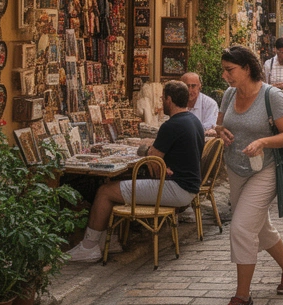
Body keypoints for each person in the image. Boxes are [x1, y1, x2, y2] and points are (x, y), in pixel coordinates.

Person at [213, 46, 283, 305]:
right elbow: (220, 125)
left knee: (241, 228)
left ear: (248, 68)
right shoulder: (229, 95)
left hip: (265, 168)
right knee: (259, 227)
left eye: (230, 70)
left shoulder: (271, 96)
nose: (225, 75)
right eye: (224, 70)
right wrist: (221, 132)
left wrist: (263, 141)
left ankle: (242, 296)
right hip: (236, 168)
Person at [68, 80, 203, 262]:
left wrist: (146, 149)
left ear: (169, 99)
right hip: (188, 187)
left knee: (105, 192)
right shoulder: (193, 120)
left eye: (163, 98)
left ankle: (89, 246)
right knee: (116, 185)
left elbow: (153, 163)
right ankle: (111, 239)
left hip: (176, 188)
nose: (161, 102)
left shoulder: (171, 125)